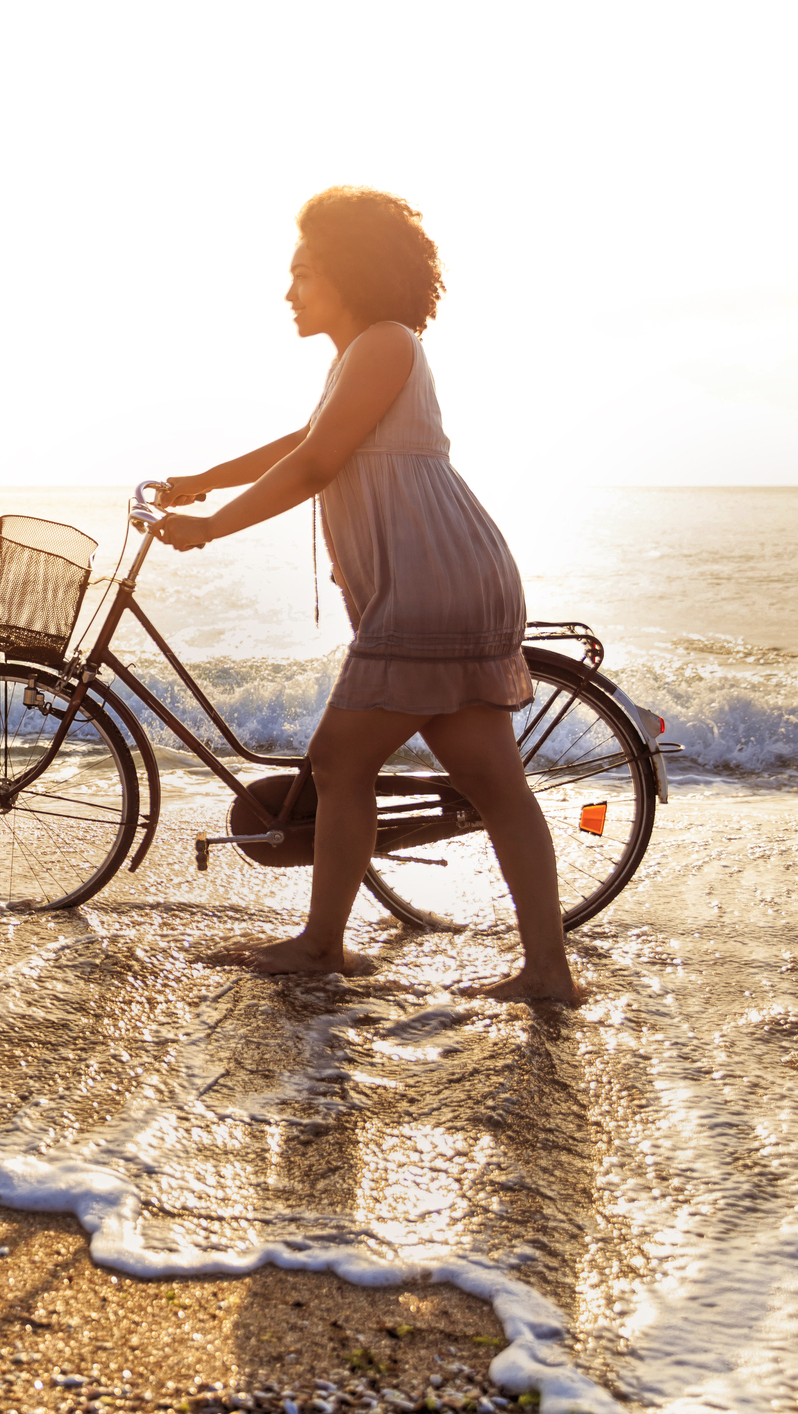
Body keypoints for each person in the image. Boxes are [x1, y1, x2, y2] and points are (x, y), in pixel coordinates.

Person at [153, 186, 581, 1004]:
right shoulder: (360, 355)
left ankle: (322, 945)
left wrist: (210, 528)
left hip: (430, 586)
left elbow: (316, 464)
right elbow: (307, 441)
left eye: (304, 273)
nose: (289, 291)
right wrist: (202, 480)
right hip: (446, 578)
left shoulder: (385, 342)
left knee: (339, 759)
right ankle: (546, 974)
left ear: (347, 271)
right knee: (493, 783)